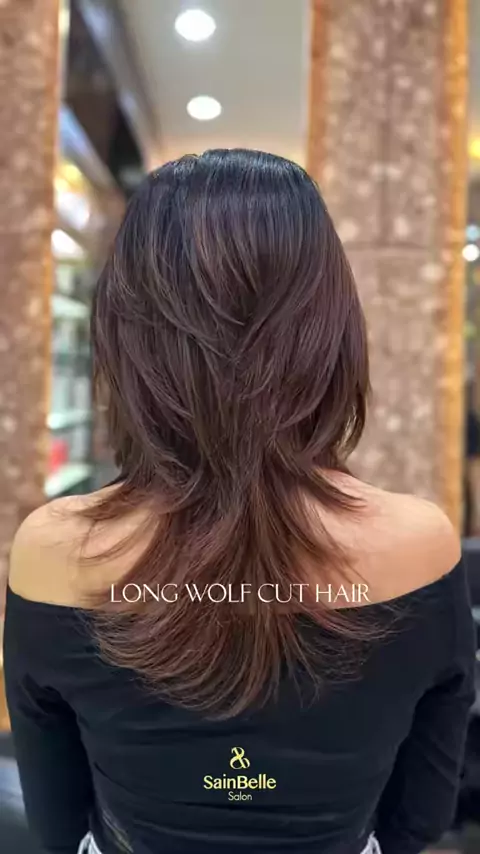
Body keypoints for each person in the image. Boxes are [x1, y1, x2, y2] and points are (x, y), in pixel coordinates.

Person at [3, 149, 476, 854]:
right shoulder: (420, 544)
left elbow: (57, 820)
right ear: (331, 331)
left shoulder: (55, 549)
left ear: (126, 337)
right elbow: (420, 816)